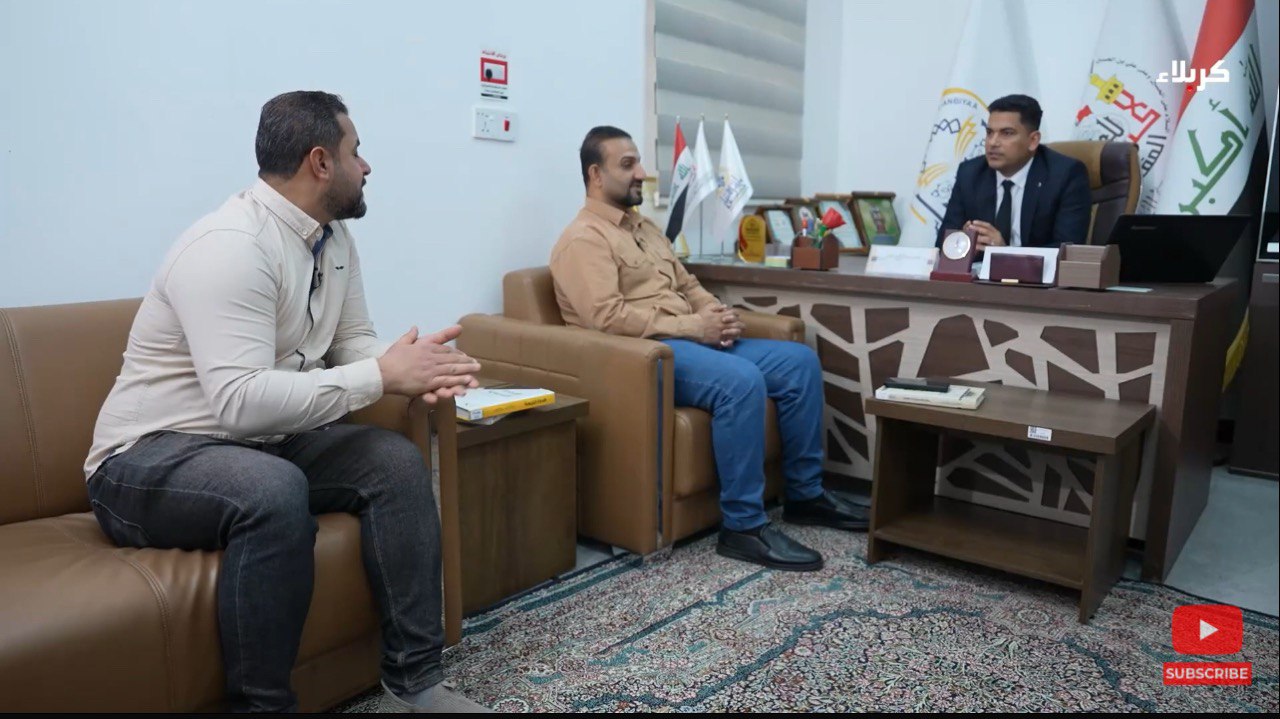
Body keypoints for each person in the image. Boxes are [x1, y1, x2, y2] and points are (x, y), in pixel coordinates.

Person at [83, 91, 490, 713]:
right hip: (146, 458)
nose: (367, 166)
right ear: (320, 162)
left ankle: (415, 683)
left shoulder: (334, 238)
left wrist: (410, 365)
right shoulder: (229, 246)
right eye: (357, 152)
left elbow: (351, 341)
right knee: (272, 491)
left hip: (257, 443)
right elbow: (240, 402)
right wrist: (379, 376)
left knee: (395, 463)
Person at [549, 126, 868, 573]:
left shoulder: (645, 228)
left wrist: (716, 315)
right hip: (646, 354)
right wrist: (695, 328)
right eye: (628, 165)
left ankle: (806, 494)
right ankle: (743, 527)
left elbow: (687, 284)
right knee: (741, 381)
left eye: (639, 162)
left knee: (798, 362)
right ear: (595, 175)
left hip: (690, 338)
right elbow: (606, 317)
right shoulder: (584, 239)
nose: (642, 173)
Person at [937, 94, 1091, 249]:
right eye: (989, 132)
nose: (993, 142)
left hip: (1037, 266)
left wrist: (1005, 253)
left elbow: (1066, 250)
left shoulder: (1065, 176)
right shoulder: (970, 174)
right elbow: (943, 243)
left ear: (1033, 140)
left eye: (1007, 133)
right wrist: (963, 243)